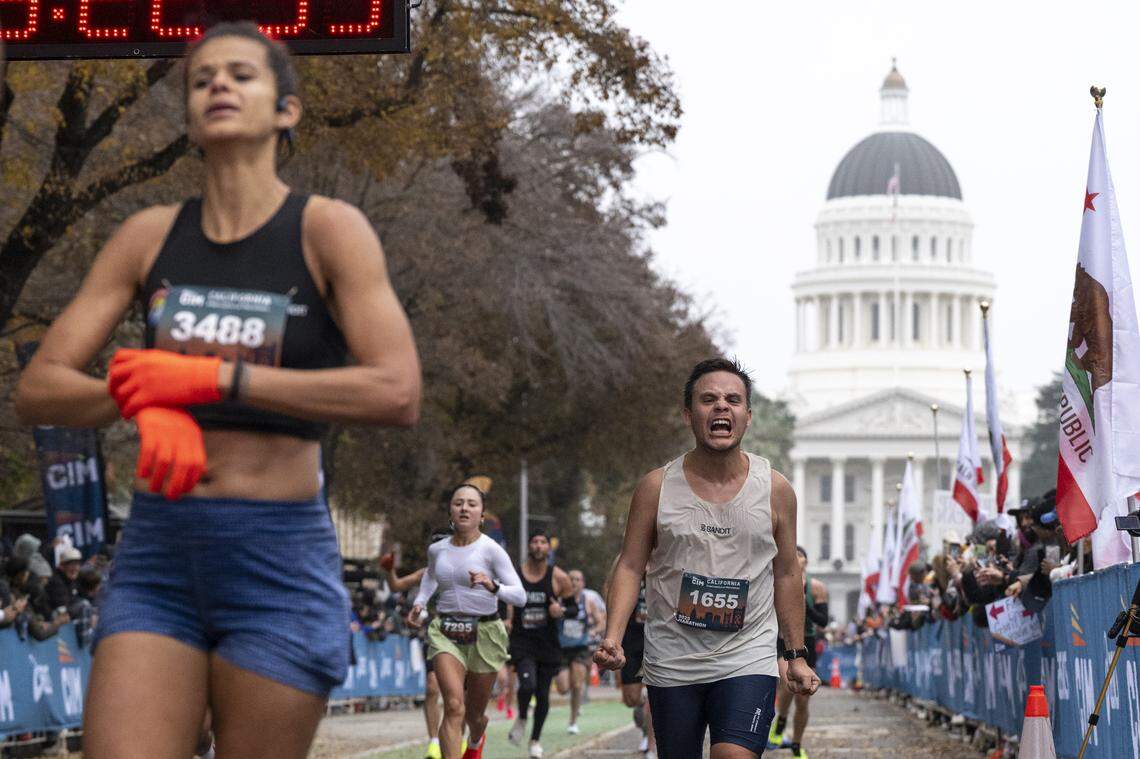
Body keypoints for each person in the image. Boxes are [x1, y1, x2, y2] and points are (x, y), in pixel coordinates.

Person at [14, 22, 421, 759]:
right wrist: (139, 393)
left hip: (277, 555)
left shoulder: (329, 230)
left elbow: (396, 390)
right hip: (160, 551)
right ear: (190, 115)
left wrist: (214, 377)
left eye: (241, 75)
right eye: (202, 80)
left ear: (285, 109)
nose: (219, 87)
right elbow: (39, 388)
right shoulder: (148, 235)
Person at [595, 358, 820, 759]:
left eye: (733, 400)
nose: (721, 407)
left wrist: (796, 654)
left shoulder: (775, 489)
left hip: (746, 654)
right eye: (708, 399)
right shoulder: (656, 487)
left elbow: (786, 573)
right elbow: (630, 565)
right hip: (673, 659)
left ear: (747, 417)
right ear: (688, 414)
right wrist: (613, 635)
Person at [407, 485, 525, 759]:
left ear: (481, 514)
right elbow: (430, 577)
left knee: (474, 716)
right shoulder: (437, 550)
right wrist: (419, 603)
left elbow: (519, 596)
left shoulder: (491, 550)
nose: (464, 508)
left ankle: (475, 740)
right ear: (451, 510)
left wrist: (492, 586)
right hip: (446, 630)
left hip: (485, 631)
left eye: (471, 504)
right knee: (453, 705)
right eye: (458, 503)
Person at [382, 527, 454, 759]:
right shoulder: (426, 573)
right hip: (435, 637)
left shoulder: (466, 571)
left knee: (458, 696)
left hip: (464, 636)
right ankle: (434, 742)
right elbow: (395, 586)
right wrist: (388, 571)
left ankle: (459, 738)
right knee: (432, 687)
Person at [508, 531, 575, 758]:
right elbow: (504, 601)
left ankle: (535, 740)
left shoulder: (559, 578)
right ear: (529, 546)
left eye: (542, 542)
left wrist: (561, 610)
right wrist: (506, 620)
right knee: (527, 685)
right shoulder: (515, 575)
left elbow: (574, 608)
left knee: (544, 695)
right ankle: (522, 716)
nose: (538, 546)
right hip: (522, 641)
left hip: (547, 644)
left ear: (548, 548)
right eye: (534, 542)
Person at [768, 547, 828, 758]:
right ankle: (781, 720)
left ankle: (796, 744)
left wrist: (801, 601)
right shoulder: (775, 583)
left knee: (803, 697)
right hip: (782, 641)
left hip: (807, 641)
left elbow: (823, 621)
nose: (796, 559)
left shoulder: (817, 588)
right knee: (786, 680)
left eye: (800, 555)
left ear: (806, 562)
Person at [555, 569, 602, 734]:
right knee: (562, 688)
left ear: (582, 583)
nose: (574, 582)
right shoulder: (559, 599)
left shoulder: (588, 601)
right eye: (571, 579)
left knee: (576, 684)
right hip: (561, 648)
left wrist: (594, 631)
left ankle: (573, 721)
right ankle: (573, 706)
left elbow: (601, 621)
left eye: (577, 579)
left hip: (581, 648)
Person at [45, 546, 83, 613]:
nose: (75, 568)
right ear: (61, 566)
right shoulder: (56, 582)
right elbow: (62, 609)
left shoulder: (73, 579)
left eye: (77, 564)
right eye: (72, 565)